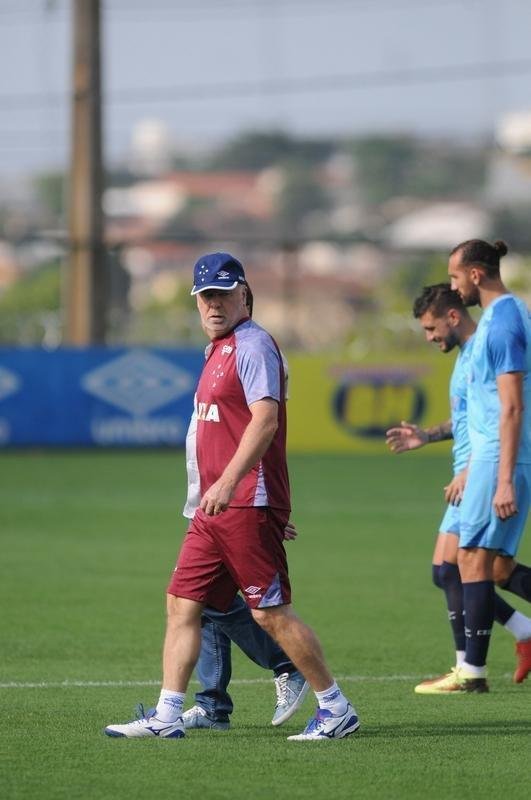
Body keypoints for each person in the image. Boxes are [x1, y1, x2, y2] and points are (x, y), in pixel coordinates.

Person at [105, 252, 359, 740]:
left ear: (244, 295)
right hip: (213, 506)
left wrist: (240, 489)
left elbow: (265, 421)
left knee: (268, 612)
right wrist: (212, 490)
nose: (213, 304)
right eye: (205, 297)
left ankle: (335, 706)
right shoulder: (216, 350)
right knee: (182, 603)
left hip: (241, 500)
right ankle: (166, 716)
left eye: (222, 294)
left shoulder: (254, 345)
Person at [386, 284, 531, 692]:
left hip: (483, 470)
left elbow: (500, 418)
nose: (429, 338)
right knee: (464, 569)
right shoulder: (469, 355)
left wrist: (471, 469)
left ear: (452, 317)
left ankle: (470, 670)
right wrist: (427, 436)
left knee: (466, 566)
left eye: (432, 329)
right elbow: (469, 421)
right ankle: (516, 635)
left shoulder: (490, 343)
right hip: (474, 469)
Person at [444, 239, 530, 692]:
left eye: (456, 278)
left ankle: (472, 672)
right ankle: (513, 640)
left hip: (501, 458)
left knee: (469, 558)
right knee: (494, 567)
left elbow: (511, 407)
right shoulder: (499, 319)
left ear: (476, 275)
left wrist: (502, 481)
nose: (454, 288)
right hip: (488, 457)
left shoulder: (504, 323)